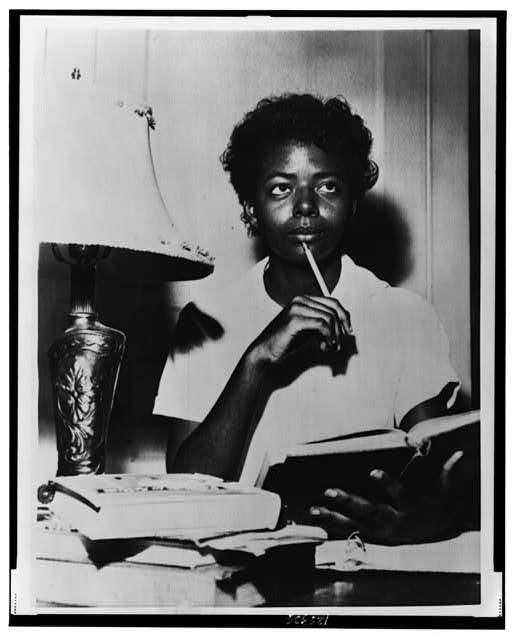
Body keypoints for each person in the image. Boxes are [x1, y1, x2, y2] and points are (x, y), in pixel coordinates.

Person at [155, 94, 473, 544]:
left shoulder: (404, 316)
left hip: (365, 561)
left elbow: (430, 482)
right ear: (251, 207)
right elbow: (185, 496)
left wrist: (414, 520)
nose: (305, 206)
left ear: (353, 203)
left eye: (327, 187)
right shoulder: (205, 321)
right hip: (240, 567)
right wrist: (257, 362)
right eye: (280, 188)